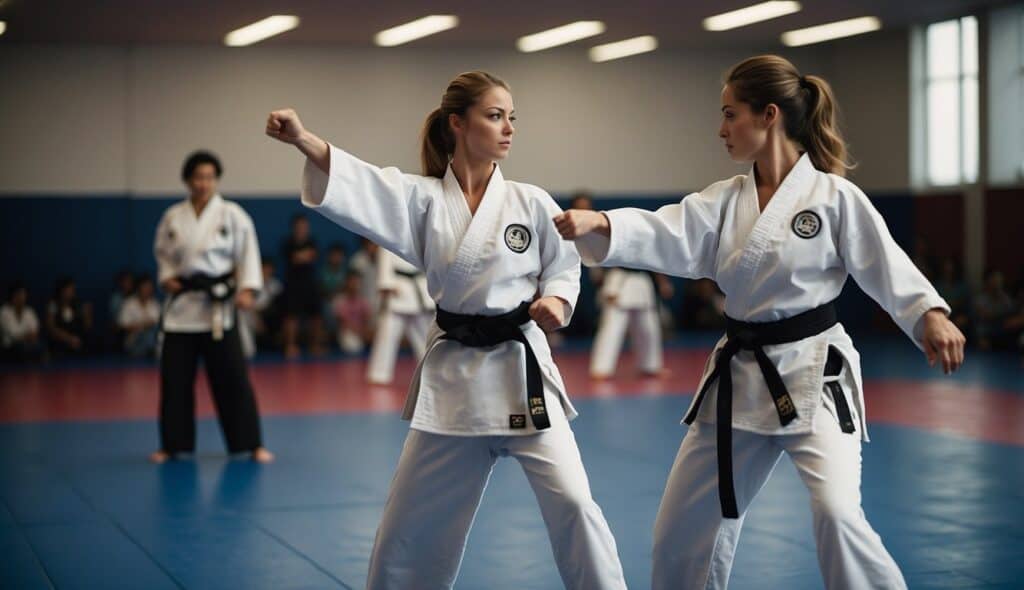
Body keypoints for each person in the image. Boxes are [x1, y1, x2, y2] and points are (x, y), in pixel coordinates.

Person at [555, 55, 966, 590]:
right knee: (680, 529)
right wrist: (603, 222)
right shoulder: (725, 201)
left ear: (769, 115)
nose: (721, 128)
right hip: (739, 378)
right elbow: (664, 231)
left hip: (814, 373)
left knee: (838, 516)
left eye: (731, 114)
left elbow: (884, 263)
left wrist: (929, 313)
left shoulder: (834, 198)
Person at [266, 70, 626, 590]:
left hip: (521, 373)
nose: (508, 129)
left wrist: (557, 300)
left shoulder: (530, 201)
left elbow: (564, 267)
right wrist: (302, 138)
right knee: (409, 522)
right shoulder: (424, 199)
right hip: (454, 381)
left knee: (574, 502)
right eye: (495, 115)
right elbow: (362, 182)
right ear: (458, 123)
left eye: (512, 118)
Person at [152, 150, 273, 464]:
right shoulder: (173, 217)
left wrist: (247, 289)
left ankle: (251, 444)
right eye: (197, 177)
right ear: (188, 181)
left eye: (209, 177)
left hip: (218, 308)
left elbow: (248, 252)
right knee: (175, 380)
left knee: (233, 379)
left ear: (215, 180)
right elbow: (163, 254)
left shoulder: (232, 214)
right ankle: (172, 445)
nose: (203, 183)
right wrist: (167, 278)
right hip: (182, 309)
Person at [366, 247, 435, 384]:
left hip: (419, 289)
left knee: (424, 337)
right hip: (397, 289)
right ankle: (379, 373)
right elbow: (384, 264)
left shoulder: (421, 237)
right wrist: (386, 284)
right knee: (387, 335)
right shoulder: (388, 241)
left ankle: (430, 371)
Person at [281, 214, 326, 358]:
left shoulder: (312, 241)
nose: (302, 229)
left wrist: (302, 256)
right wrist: (302, 256)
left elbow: (312, 255)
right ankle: (290, 346)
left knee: (316, 316)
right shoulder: (288, 242)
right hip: (293, 284)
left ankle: (315, 346)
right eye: (299, 226)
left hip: (310, 283)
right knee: (291, 316)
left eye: (305, 226)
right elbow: (295, 258)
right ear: (294, 228)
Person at [46, 277, 92, 359]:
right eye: (69, 289)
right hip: (60, 341)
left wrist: (87, 315)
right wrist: (69, 339)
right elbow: (51, 328)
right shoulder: (53, 305)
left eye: (73, 289)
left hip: (77, 341)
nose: (72, 292)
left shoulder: (77, 305)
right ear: (61, 290)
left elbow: (86, 327)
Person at [118, 274, 161, 358]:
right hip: (134, 341)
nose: (147, 290)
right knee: (147, 336)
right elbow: (122, 325)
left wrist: (148, 325)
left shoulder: (155, 304)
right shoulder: (129, 303)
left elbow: (158, 324)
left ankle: (152, 350)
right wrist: (142, 326)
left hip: (152, 340)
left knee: (151, 335)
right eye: (145, 287)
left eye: (149, 287)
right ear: (138, 288)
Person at [331, 272, 372, 354]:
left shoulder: (363, 300)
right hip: (347, 332)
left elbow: (366, 320)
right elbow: (342, 324)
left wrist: (365, 332)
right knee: (353, 346)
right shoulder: (339, 300)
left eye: (356, 282)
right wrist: (359, 332)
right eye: (352, 282)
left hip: (361, 331)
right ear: (347, 283)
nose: (354, 285)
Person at [1, 282, 42, 363]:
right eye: (19, 295)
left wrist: (30, 337)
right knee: (21, 348)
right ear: (12, 296)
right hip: (10, 347)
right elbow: (12, 334)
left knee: (40, 346)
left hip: (29, 344)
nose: (21, 298)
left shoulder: (29, 311)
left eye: (23, 295)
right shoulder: (4, 312)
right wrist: (26, 336)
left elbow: (35, 331)